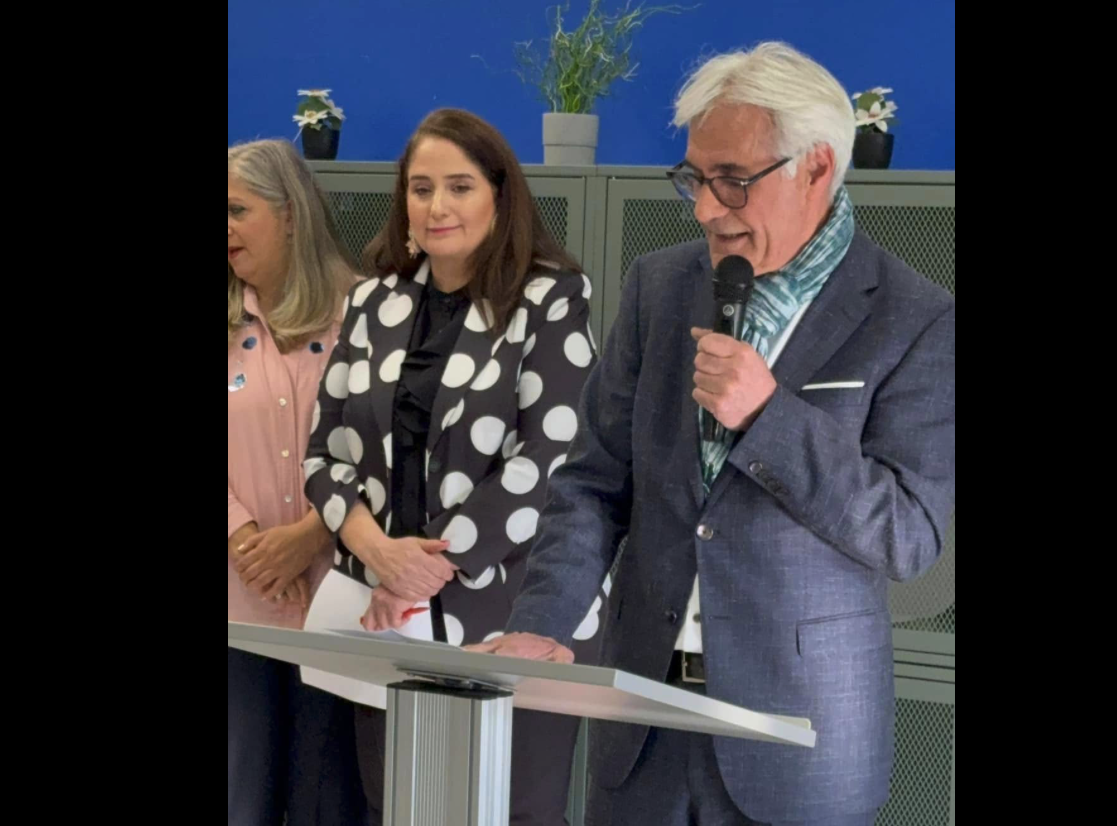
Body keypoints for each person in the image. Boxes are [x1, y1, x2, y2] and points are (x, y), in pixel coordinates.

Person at [474, 42, 956, 826]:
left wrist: (769, 416)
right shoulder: (659, 285)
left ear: (815, 168)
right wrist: (540, 624)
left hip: (798, 739)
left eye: (732, 180)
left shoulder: (915, 318)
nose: (704, 208)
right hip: (644, 721)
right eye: (694, 178)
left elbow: (907, 536)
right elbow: (593, 483)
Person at [302, 108, 608, 825]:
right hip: (382, 611)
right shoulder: (371, 302)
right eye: (421, 188)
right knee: (400, 805)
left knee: (514, 810)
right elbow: (322, 453)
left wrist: (424, 567)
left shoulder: (552, 297)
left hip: (514, 609)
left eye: (459, 186)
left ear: (500, 196)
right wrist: (377, 552)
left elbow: (548, 461)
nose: (437, 206)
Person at [227, 138, 366, 826]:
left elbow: (386, 445)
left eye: (236, 210)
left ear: (288, 215)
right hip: (238, 605)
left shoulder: (363, 314)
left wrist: (313, 533)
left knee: (329, 799)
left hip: (339, 604)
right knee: (241, 796)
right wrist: (246, 540)